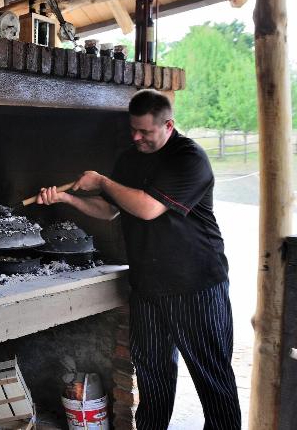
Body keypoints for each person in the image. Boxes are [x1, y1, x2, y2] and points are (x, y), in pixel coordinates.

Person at [37, 89, 241, 430]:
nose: (136, 137)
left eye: (145, 131)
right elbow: (110, 210)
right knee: (152, 377)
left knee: (212, 377)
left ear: (168, 125)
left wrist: (102, 181)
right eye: (133, 129)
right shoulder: (129, 160)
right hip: (148, 286)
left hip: (196, 284)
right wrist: (67, 199)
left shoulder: (189, 158)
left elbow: (147, 208)